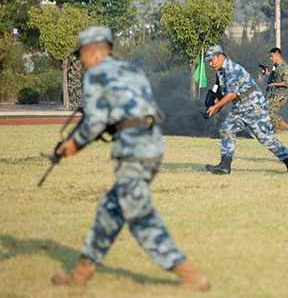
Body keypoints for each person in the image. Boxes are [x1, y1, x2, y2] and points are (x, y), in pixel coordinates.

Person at [51, 26, 210, 291]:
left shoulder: (96, 74)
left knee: (139, 216)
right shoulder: (131, 70)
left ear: (92, 51)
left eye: (82, 54)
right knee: (110, 210)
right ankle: (81, 274)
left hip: (132, 148)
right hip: (152, 142)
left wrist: (71, 145)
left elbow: (95, 122)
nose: (81, 60)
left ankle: (190, 274)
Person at [203, 45, 288, 174]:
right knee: (226, 129)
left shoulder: (231, 69)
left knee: (265, 138)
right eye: (209, 61)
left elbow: (231, 94)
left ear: (221, 57)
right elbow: (224, 92)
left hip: (253, 107)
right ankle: (225, 166)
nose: (210, 64)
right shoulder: (221, 72)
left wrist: (215, 106)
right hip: (239, 107)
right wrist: (214, 101)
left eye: (212, 60)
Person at [261, 47, 288, 133]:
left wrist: (274, 84)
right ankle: (281, 123)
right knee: (265, 109)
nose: (271, 58)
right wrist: (267, 73)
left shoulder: (284, 67)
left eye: (272, 56)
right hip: (276, 92)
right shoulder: (276, 66)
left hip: (283, 94)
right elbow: (275, 77)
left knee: (271, 113)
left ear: (278, 56)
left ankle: (277, 128)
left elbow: (286, 82)